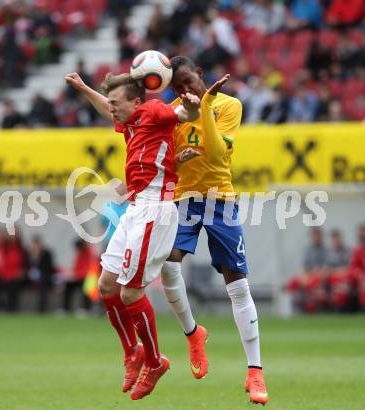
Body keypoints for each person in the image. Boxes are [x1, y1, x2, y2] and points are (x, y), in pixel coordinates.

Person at [65, 70, 200, 400]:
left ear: (136, 102)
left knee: (129, 294)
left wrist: (194, 106)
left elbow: (183, 114)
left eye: (116, 103)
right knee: (106, 286)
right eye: (110, 103)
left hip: (155, 210)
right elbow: (105, 105)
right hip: (136, 207)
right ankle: (132, 353)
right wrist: (83, 88)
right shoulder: (130, 121)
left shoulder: (152, 111)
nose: (111, 109)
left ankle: (155, 361)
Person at [165, 56, 269, 405]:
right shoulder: (173, 113)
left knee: (236, 284)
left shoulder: (227, 104)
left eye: (188, 82)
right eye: (177, 88)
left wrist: (205, 105)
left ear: (199, 75)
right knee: (168, 264)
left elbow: (215, 150)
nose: (184, 91)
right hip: (184, 200)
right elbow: (168, 159)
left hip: (220, 201)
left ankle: (255, 372)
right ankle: (194, 334)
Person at [59, 239, 97, 314]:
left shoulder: (89, 252)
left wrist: (77, 275)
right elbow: (76, 267)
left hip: (88, 277)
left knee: (86, 287)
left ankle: (86, 308)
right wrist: (72, 275)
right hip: (79, 277)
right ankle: (65, 308)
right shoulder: (79, 253)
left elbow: (89, 267)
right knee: (67, 286)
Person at [28, 236, 55, 313]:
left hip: (45, 277)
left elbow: (49, 268)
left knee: (43, 285)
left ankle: (41, 309)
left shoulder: (46, 254)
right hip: (32, 277)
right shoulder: (30, 254)